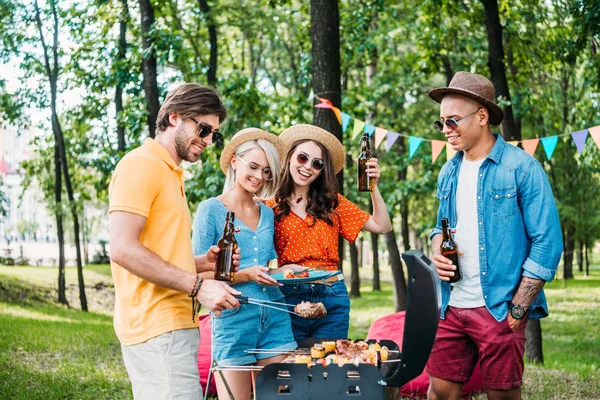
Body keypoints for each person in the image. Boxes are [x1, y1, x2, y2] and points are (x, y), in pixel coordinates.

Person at [426, 72, 563, 400]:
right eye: (441, 123)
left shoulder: (522, 168)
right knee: (440, 392)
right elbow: (440, 226)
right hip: (451, 304)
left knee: (502, 395)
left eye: (453, 121)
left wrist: (518, 308)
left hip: (499, 307)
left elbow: (548, 241)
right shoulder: (449, 171)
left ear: (482, 117)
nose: (446, 130)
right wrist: (435, 244)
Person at [109, 83, 242, 400]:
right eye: (204, 129)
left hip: (174, 324)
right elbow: (122, 248)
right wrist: (198, 286)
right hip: (157, 326)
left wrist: (201, 264)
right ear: (173, 117)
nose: (209, 141)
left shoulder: (170, 173)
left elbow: (154, 251)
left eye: (213, 134)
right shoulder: (141, 165)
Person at [192, 128, 297, 400]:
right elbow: (200, 271)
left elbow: (263, 267)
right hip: (233, 316)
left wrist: (287, 272)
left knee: (279, 398)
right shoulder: (210, 210)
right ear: (234, 162)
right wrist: (246, 276)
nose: (259, 177)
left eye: (266, 171)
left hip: (275, 314)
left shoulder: (267, 211)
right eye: (253, 166)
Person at [266, 124, 392, 344]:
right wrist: (276, 270)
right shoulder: (269, 207)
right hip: (289, 296)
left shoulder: (333, 202)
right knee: (293, 368)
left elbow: (382, 225)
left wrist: (374, 187)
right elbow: (255, 260)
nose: (308, 167)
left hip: (331, 293)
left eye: (317, 163)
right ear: (289, 157)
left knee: (329, 369)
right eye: (303, 158)